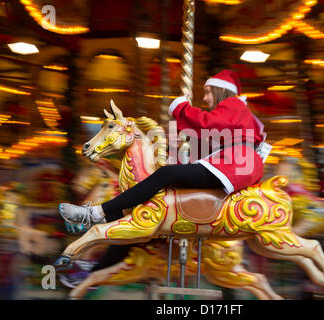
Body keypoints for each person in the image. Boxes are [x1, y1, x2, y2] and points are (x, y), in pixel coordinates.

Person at [57, 70, 267, 277]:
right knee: (160, 185)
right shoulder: (235, 113)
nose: (205, 97)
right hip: (233, 163)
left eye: (209, 92)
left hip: (235, 164)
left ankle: (96, 214)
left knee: (166, 175)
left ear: (222, 91)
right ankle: (103, 240)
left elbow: (209, 124)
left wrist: (182, 108)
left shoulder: (233, 105)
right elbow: (208, 136)